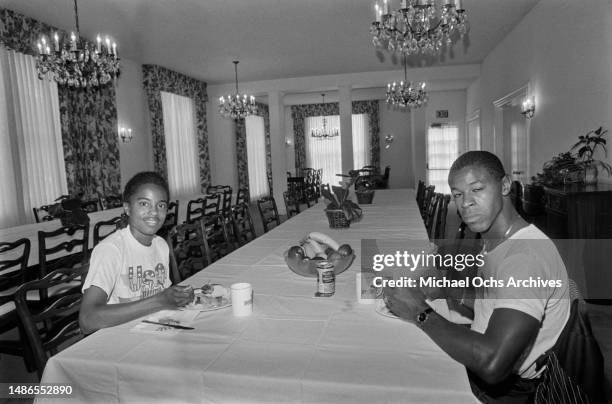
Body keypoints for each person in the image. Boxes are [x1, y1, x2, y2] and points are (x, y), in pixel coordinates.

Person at [384, 151, 570, 402]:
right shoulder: (497, 241)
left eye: (477, 189)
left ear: (504, 186)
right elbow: (495, 303)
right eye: (458, 194)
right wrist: (448, 291)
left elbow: (493, 363)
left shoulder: (524, 258)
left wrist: (420, 312)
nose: (465, 203)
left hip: (506, 391)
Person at [79, 172, 194, 334]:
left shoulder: (160, 245)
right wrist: (159, 301)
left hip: (152, 330)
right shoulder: (112, 250)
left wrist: (176, 297)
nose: (154, 212)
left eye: (160, 205)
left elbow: (162, 296)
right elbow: (87, 320)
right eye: (144, 204)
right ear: (127, 208)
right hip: (119, 337)